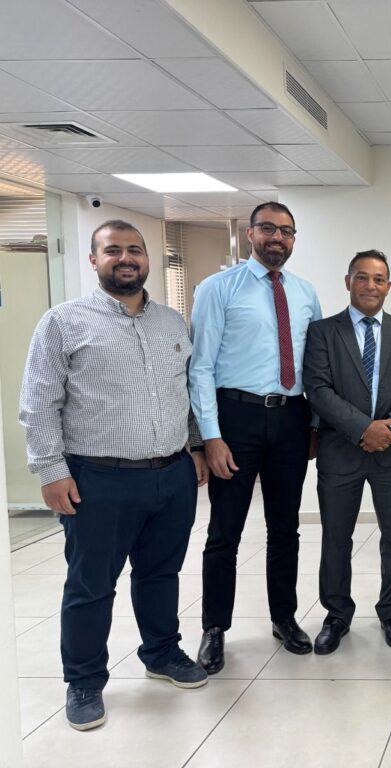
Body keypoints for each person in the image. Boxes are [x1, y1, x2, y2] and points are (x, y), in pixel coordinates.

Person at [19, 220, 209, 731]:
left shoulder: (171, 322)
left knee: (161, 573)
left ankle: (162, 653)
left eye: (135, 250)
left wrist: (193, 447)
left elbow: (186, 392)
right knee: (91, 584)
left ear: (147, 258)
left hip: (170, 475)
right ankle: (84, 681)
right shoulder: (63, 322)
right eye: (113, 250)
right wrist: (51, 471)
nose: (126, 258)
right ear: (93, 259)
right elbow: (38, 402)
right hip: (97, 478)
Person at [189, 202, 322, 673]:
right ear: (250, 234)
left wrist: (312, 425)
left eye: (287, 231)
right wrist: (211, 437)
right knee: (225, 531)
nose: (277, 238)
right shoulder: (217, 288)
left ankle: (284, 617)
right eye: (268, 228)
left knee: (285, 528)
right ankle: (214, 628)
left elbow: (315, 367)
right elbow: (200, 367)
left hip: (290, 419)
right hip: (236, 419)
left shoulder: (305, 292)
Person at [302, 250, 391, 652]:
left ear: (389, 286)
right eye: (362, 277)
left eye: (379, 279)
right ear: (348, 281)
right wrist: (362, 429)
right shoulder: (323, 332)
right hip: (341, 451)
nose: (370, 285)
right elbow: (317, 389)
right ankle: (337, 614)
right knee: (337, 538)